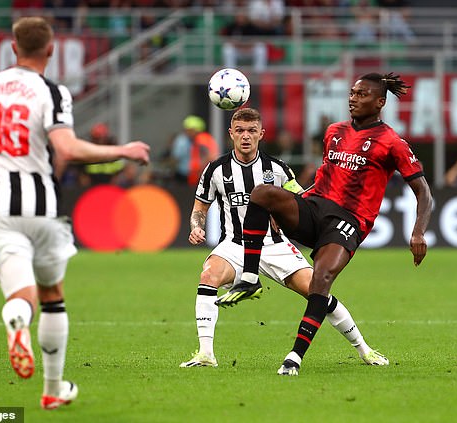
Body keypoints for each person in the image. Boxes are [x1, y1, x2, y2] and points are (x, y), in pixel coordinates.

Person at [0, 17, 150, 409]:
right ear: (51, 50)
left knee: (21, 296)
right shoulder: (51, 91)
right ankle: (53, 389)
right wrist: (122, 150)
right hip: (41, 207)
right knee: (52, 294)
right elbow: (68, 149)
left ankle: (17, 319)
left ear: (12, 48)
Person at [216, 73, 433, 376]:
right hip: (314, 206)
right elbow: (324, 180)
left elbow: (424, 192)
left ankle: (295, 357)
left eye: (361, 95)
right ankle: (250, 278)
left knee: (322, 277)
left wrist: (419, 230)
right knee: (263, 194)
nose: (353, 99)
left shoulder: (392, 143)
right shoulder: (334, 131)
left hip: (348, 221)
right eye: (352, 93)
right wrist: (287, 208)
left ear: (380, 102)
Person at [180, 107, 388, 368]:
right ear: (230, 134)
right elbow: (200, 209)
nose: (246, 136)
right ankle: (206, 354)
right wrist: (195, 227)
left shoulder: (277, 169)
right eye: (241, 131)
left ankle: (364, 349)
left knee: (317, 292)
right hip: (234, 245)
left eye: (252, 131)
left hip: (275, 246)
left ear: (261, 134)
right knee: (208, 276)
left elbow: (300, 202)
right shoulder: (215, 170)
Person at [170, 115, 219, 186]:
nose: (189, 132)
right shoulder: (182, 141)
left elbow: (210, 156)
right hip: (183, 175)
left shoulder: (203, 139)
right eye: (187, 130)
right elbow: (175, 158)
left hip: (199, 175)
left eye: (191, 130)